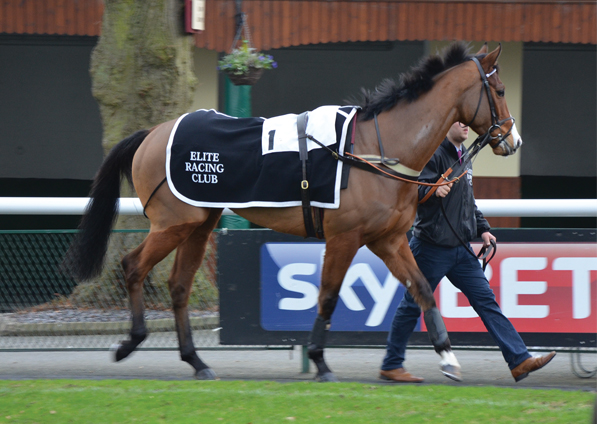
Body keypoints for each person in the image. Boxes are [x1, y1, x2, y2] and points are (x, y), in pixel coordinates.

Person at [379, 121, 556, 383]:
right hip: (431, 247)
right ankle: (391, 365)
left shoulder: (466, 158)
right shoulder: (432, 153)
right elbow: (409, 190)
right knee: (412, 306)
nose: (466, 126)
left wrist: (483, 229)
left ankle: (519, 361)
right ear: (446, 124)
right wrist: (432, 188)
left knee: (487, 302)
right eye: (459, 121)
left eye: (467, 122)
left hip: (462, 249)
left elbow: (468, 202)